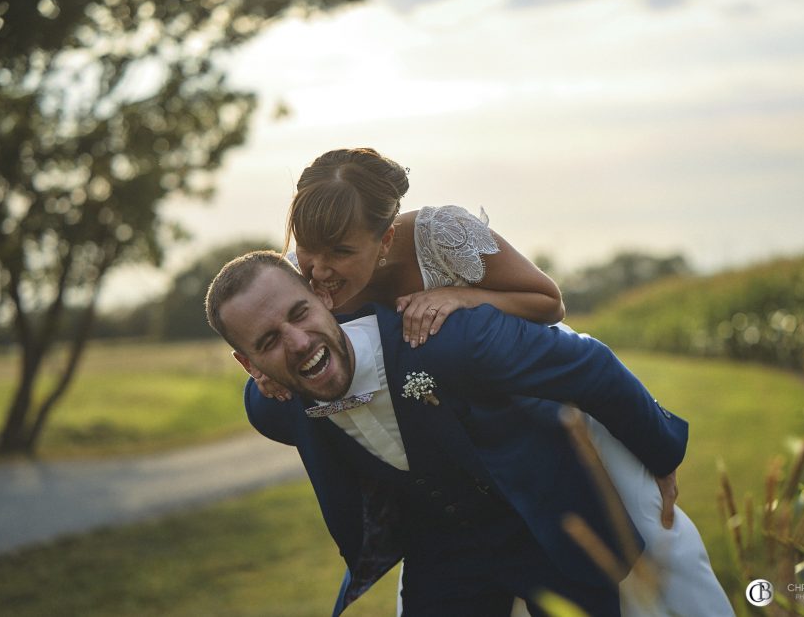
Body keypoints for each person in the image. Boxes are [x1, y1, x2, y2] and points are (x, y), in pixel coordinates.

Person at [249, 148, 733, 615]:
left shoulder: (441, 235)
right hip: (442, 454)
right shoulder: (300, 275)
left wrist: (464, 297)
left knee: (642, 539)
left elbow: (548, 303)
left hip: (526, 389)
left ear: (387, 241)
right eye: (308, 250)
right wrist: (268, 373)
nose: (319, 270)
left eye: (341, 252)